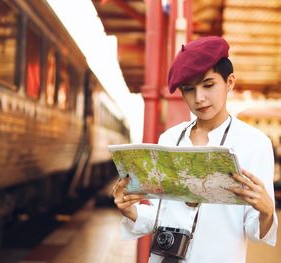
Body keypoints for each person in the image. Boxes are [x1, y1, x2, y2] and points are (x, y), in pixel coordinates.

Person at [112, 36, 278, 263]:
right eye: (189, 89)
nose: (199, 98)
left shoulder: (254, 143)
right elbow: (159, 214)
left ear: (229, 82)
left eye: (208, 85)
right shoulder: (170, 138)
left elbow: (254, 231)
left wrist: (267, 211)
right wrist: (130, 210)